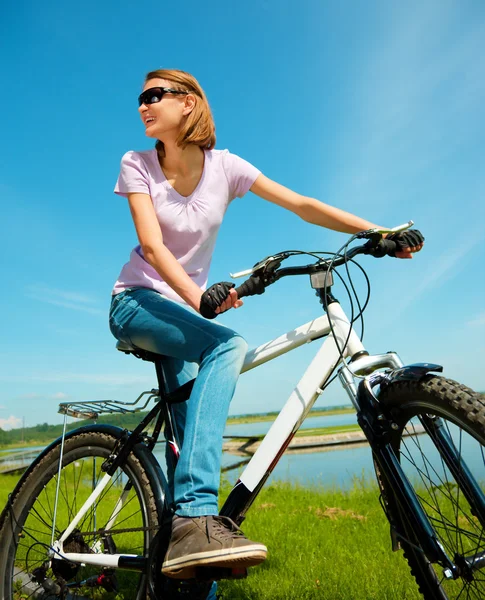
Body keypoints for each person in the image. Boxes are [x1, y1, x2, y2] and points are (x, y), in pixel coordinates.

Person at [109, 69, 424, 595]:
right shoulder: (136, 164)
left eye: (153, 96)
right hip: (137, 303)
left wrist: (378, 231)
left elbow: (301, 204)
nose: (142, 105)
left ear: (188, 104)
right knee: (229, 344)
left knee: (187, 447)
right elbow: (154, 246)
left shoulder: (225, 167)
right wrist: (198, 298)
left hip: (186, 318)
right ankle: (193, 518)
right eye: (139, 98)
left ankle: (190, 552)